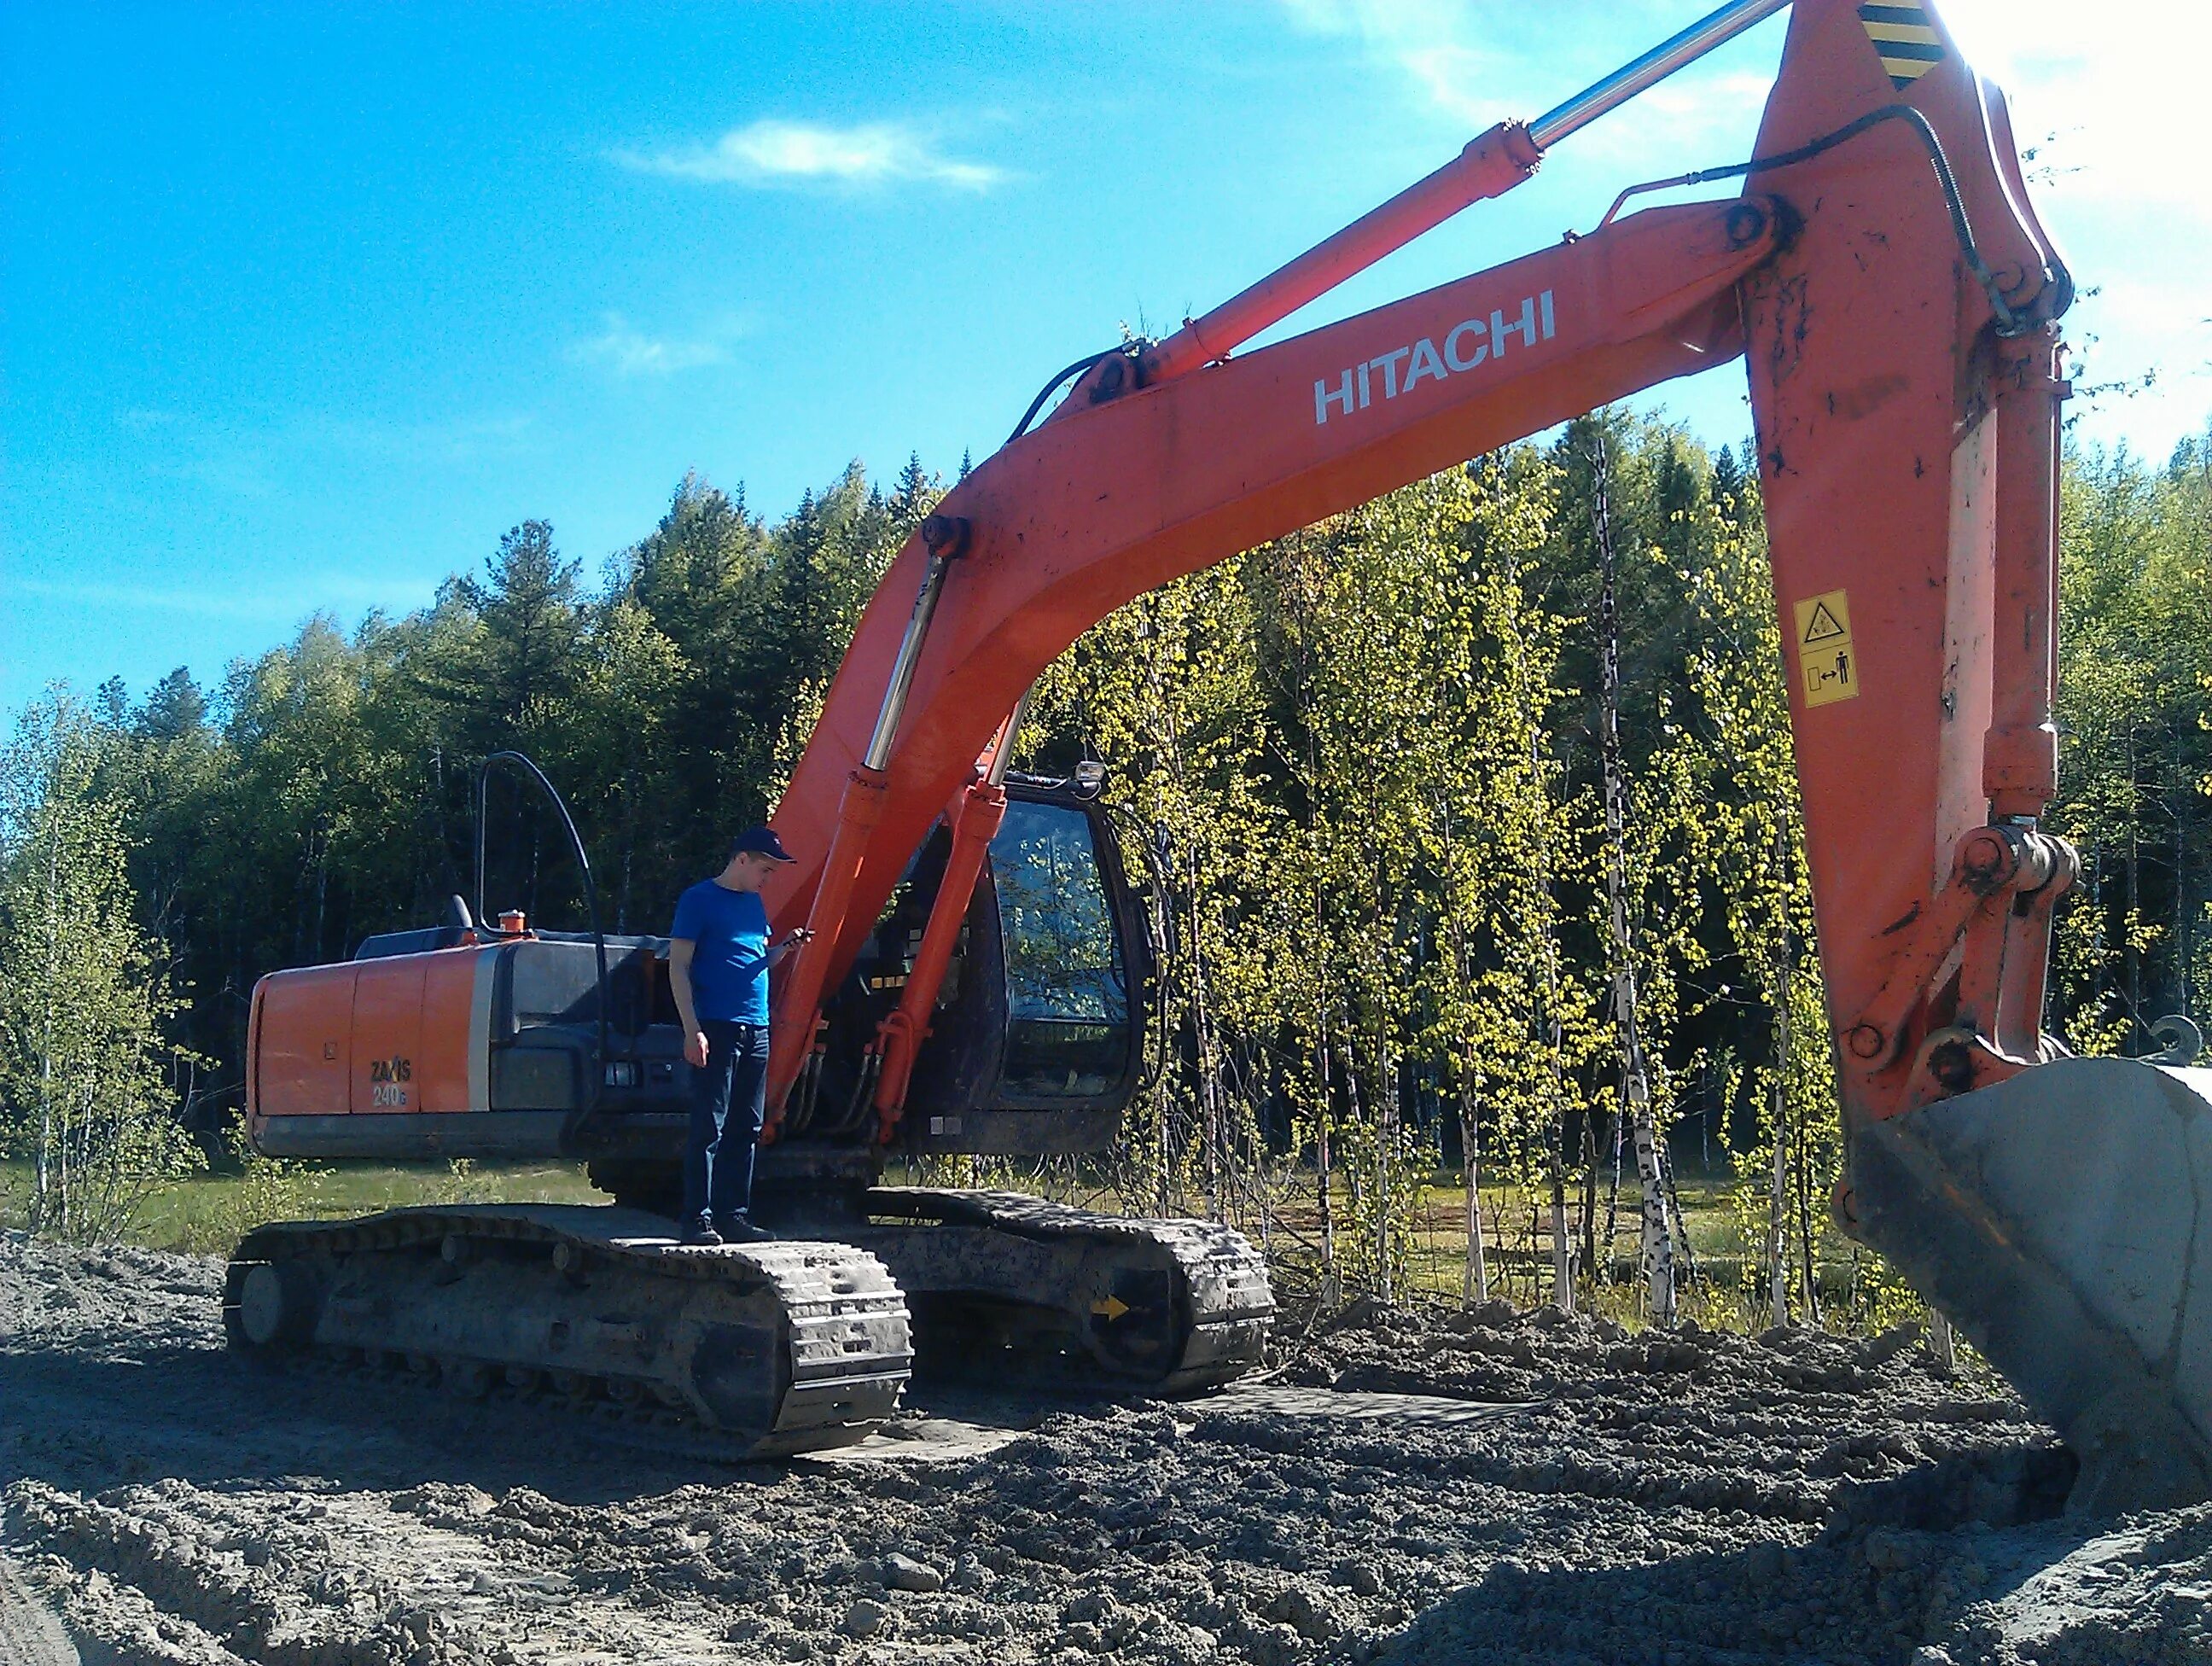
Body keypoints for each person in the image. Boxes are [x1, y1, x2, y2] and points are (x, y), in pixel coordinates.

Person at [667, 826, 812, 1246]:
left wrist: (784, 949)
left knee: (747, 1125)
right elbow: (679, 966)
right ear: (741, 859)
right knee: (709, 1125)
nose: (767, 879)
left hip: (757, 1026)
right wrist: (691, 1029)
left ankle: (734, 1215)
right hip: (716, 1026)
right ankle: (697, 1219)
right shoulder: (698, 900)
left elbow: (753, 960)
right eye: (764, 869)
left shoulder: (754, 905)